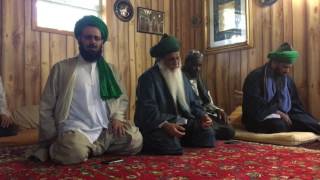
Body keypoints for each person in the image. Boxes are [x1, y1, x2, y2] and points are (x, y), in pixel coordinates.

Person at [31, 15, 142, 164]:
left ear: (102, 41)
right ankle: (65, 148)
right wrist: (51, 136)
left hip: (105, 130)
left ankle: (90, 149)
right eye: (88, 37)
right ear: (79, 39)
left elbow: (121, 99)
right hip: (76, 130)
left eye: (97, 38)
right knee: (73, 150)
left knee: (135, 140)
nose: (93, 42)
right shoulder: (62, 69)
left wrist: (116, 117)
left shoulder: (110, 70)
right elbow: (46, 106)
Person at [134, 34, 215, 155]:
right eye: (171, 59)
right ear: (161, 61)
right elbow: (148, 111)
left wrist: (202, 115)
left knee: (207, 134)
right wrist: (165, 125)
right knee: (170, 146)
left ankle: (180, 139)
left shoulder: (181, 76)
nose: (176, 63)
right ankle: (176, 141)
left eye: (178, 58)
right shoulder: (148, 79)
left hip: (182, 122)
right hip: (159, 125)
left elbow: (194, 102)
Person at [242, 42, 320, 134]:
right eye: (284, 67)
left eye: (289, 68)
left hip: (283, 115)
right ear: (274, 62)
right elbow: (254, 107)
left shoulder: (288, 80)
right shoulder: (255, 77)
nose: (287, 71)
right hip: (258, 117)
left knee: (311, 123)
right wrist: (278, 112)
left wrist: (304, 118)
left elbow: (295, 105)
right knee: (279, 126)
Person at [182, 50, 235, 140]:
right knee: (208, 132)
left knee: (229, 131)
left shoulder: (198, 78)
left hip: (204, 113)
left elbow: (206, 102)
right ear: (187, 63)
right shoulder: (180, 78)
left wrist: (218, 110)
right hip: (192, 116)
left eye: (199, 66)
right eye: (195, 65)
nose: (198, 69)